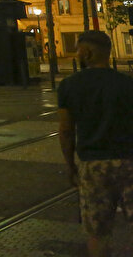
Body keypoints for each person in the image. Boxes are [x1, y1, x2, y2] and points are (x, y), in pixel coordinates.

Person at [57, 30, 133, 257]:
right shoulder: (127, 84)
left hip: (93, 165)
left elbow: (66, 130)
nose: (77, 54)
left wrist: (70, 166)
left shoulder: (70, 86)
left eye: (79, 49)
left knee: (97, 232)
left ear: (87, 52)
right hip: (130, 161)